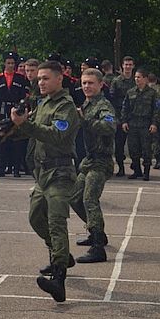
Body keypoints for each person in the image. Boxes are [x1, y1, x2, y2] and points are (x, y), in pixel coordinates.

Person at [4, 60, 80, 302]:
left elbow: (57, 136)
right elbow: (32, 130)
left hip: (60, 172)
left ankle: (59, 279)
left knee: (57, 221)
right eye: (39, 79)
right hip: (42, 173)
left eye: (46, 78)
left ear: (60, 79)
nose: (41, 82)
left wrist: (26, 124)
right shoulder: (43, 103)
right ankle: (61, 253)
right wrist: (14, 125)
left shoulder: (66, 107)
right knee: (36, 217)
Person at [69, 68, 117, 263]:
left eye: (90, 83)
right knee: (74, 197)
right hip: (88, 160)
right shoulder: (86, 104)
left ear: (100, 85)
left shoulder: (104, 106)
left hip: (101, 160)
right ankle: (96, 231)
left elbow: (109, 127)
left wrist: (86, 121)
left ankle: (98, 247)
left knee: (89, 199)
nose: (86, 86)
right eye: (84, 83)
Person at [0, 51, 29, 177]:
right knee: (2, 139)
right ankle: (2, 167)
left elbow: (24, 96)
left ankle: (16, 168)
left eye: (13, 63)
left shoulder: (20, 78)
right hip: (2, 110)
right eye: (8, 63)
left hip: (16, 109)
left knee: (16, 141)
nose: (10, 65)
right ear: (4, 64)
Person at [121, 68, 160, 181]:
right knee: (133, 149)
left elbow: (157, 110)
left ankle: (146, 172)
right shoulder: (130, 92)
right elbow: (125, 108)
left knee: (146, 149)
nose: (136, 79)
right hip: (133, 123)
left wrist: (154, 124)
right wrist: (124, 121)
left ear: (145, 78)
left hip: (146, 124)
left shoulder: (152, 93)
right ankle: (137, 171)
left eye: (139, 77)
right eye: (135, 77)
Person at [110, 56, 136, 177]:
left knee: (135, 145)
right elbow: (112, 98)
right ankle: (121, 168)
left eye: (130, 65)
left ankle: (136, 167)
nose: (128, 67)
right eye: (126, 64)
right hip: (119, 117)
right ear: (122, 66)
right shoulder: (116, 81)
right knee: (119, 146)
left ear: (133, 66)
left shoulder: (136, 80)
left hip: (134, 117)